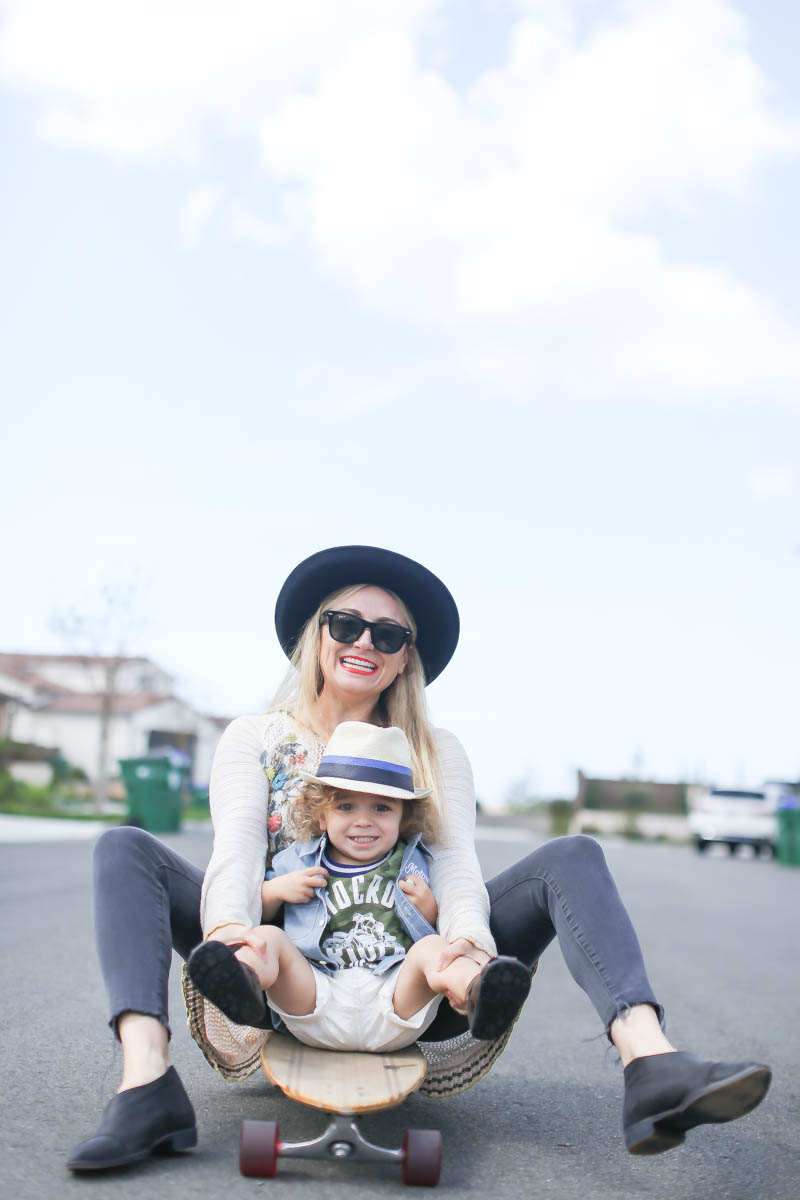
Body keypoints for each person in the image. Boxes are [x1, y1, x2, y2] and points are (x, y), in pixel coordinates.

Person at [68, 545, 771, 1172]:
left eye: (389, 634)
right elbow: (237, 851)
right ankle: (146, 1085)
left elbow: (458, 864)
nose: (363, 642)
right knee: (124, 847)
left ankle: (649, 1063)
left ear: (407, 655)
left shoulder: (437, 750)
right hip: (273, 972)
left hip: (412, 974)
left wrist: (462, 950)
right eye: (346, 624)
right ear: (317, 635)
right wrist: (232, 938)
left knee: (573, 855)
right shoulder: (255, 736)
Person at [186, 722, 531, 1051]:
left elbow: (435, 921)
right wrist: (275, 892)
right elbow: (260, 906)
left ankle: (476, 993)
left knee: (434, 949)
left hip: (395, 998)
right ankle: (242, 981)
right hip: (315, 995)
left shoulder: (413, 863)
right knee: (269, 939)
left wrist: (429, 909)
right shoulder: (300, 862)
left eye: (381, 808)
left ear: (403, 818)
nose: (363, 821)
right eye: (346, 807)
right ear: (322, 815)